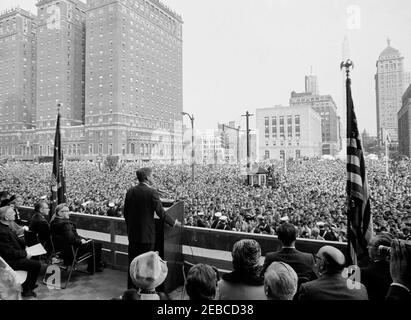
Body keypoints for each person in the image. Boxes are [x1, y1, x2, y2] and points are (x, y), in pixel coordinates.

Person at [123, 167, 181, 289]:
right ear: (148, 178)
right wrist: (173, 223)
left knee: (133, 262)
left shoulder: (130, 191)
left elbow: (126, 213)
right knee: (146, 264)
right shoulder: (152, 192)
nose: (153, 178)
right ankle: (145, 289)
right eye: (152, 176)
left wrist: (131, 228)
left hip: (133, 234)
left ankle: (131, 289)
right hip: (147, 235)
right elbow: (161, 212)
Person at [297, 245, 368, 300]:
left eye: (317, 258)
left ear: (322, 263)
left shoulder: (307, 289)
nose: (315, 261)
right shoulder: (361, 289)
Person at [50, 203, 104, 273]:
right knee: (97, 245)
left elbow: (69, 237)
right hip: (72, 252)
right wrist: (81, 241)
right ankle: (93, 268)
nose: (68, 213)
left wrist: (82, 238)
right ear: (59, 213)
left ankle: (96, 265)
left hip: (63, 251)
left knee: (91, 243)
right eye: (66, 211)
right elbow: (72, 240)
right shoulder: (65, 225)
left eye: (68, 211)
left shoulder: (53, 222)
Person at [0, 206, 41, 298]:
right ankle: (26, 289)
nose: (15, 213)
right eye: (12, 213)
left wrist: (25, 247)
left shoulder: (6, 226)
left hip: (15, 254)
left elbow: (15, 240)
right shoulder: (2, 231)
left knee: (34, 258)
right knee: (36, 265)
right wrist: (25, 254)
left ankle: (29, 283)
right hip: (10, 261)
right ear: (6, 217)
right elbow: (9, 253)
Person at [360, 233, 393, 300]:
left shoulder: (363, 272)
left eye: (370, 245)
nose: (367, 247)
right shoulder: (396, 271)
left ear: (379, 251)